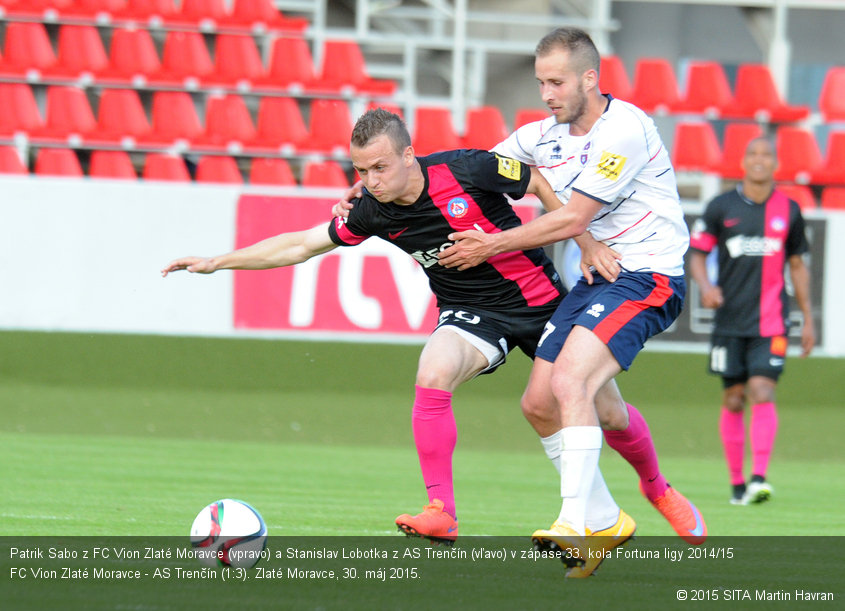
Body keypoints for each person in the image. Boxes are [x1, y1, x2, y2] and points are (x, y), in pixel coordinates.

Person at [162, 108, 625, 546]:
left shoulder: (468, 169)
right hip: (472, 311)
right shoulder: (371, 210)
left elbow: (540, 182)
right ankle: (441, 511)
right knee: (433, 371)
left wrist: (584, 243)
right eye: (361, 171)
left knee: (609, 414)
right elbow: (300, 245)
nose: (371, 182)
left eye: (380, 167)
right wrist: (217, 262)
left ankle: (656, 488)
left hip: (542, 301)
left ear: (409, 155)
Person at [437, 27, 707, 575]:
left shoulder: (626, 129)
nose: (547, 94)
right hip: (596, 281)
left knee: (570, 384)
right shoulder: (543, 136)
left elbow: (576, 217)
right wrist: (388, 184)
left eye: (557, 82)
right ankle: (613, 518)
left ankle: (578, 522)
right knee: (542, 404)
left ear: (590, 78)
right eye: (541, 83)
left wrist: (493, 244)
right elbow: (467, 170)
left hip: (648, 275)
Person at [688, 136, 815, 506]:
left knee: (762, 390)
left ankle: (759, 476)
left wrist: (808, 319)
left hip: (772, 322)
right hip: (729, 322)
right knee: (733, 399)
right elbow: (696, 255)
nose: (760, 160)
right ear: (744, 161)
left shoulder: (789, 210)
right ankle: (736, 484)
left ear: (775, 163)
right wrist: (707, 286)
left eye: (767, 154)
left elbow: (797, 265)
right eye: (753, 153)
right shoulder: (720, 207)